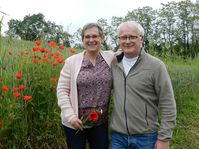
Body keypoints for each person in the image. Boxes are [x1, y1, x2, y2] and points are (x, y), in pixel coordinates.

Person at [110, 21, 177, 149]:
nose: (127, 41)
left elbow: (167, 102)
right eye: (123, 37)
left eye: (132, 37)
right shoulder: (113, 63)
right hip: (118, 137)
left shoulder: (155, 66)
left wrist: (164, 138)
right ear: (119, 40)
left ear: (141, 38)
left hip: (146, 137)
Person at [56, 23, 114, 149]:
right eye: (87, 37)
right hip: (76, 122)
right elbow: (62, 90)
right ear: (82, 40)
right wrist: (70, 116)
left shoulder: (110, 58)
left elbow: (128, 52)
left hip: (100, 122)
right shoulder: (72, 62)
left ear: (102, 38)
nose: (91, 40)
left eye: (95, 36)